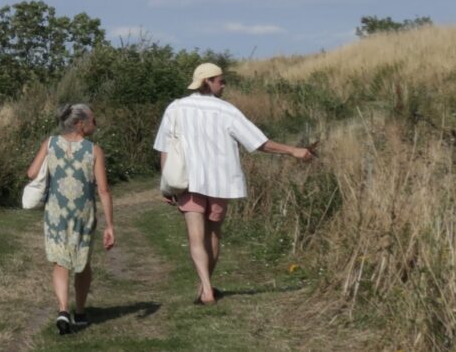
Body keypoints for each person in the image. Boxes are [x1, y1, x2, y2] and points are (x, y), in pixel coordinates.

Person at [154, 63, 315, 305]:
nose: (224, 85)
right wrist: (294, 151)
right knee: (213, 234)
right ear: (207, 81)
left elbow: (166, 147)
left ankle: (206, 289)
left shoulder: (176, 108)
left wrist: (167, 184)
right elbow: (259, 142)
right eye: (221, 80)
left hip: (188, 181)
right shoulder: (226, 111)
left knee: (195, 237)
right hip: (221, 181)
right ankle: (205, 287)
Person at [26, 103, 115, 335]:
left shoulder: (50, 143)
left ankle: (63, 309)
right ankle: (81, 310)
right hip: (83, 212)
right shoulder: (93, 150)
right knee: (82, 261)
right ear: (80, 124)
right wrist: (110, 225)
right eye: (93, 120)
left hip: (56, 211)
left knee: (60, 261)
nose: (96, 124)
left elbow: (32, 173)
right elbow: (103, 190)